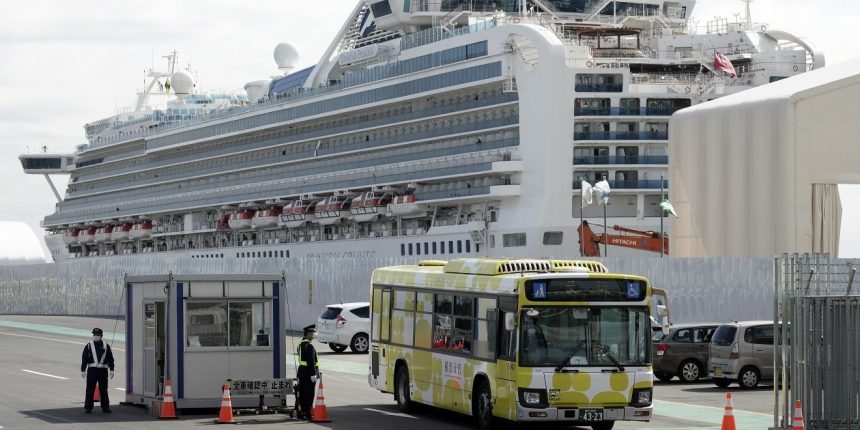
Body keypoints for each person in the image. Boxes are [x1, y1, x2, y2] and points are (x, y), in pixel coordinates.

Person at [80, 328, 115, 414]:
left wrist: (112, 369)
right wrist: (83, 370)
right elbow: (84, 358)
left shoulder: (106, 346)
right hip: (92, 370)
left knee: (103, 389)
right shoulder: (88, 346)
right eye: (94, 335)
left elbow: (110, 359)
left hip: (103, 370)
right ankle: (88, 407)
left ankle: (105, 407)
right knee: (90, 389)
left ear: (101, 336)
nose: (96, 336)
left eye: (97, 335)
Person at [296, 324, 320, 420]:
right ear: (308, 334)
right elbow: (311, 361)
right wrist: (313, 374)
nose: (313, 335)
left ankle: (301, 412)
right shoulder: (309, 346)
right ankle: (308, 413)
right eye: (312, 333)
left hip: (301, 372)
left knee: (302, 394)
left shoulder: (300, 344)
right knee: (309, 394)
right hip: (308, 374)